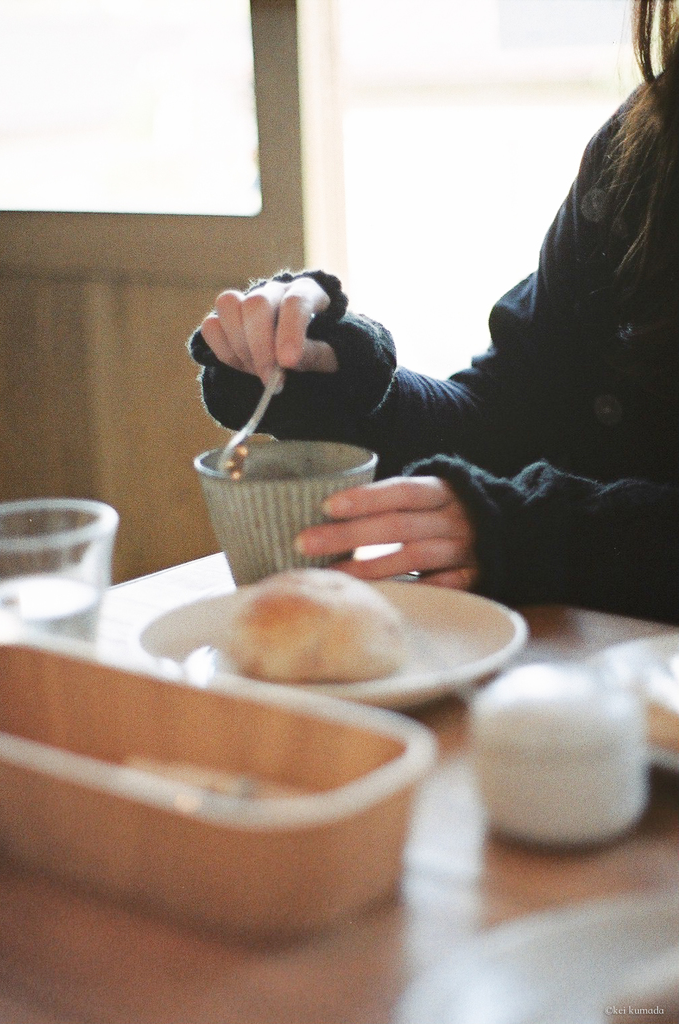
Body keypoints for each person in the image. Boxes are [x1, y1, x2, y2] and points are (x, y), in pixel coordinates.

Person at [188, 0, 678, 625]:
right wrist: (342, 384)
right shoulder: (646, 143)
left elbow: (523, 517)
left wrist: (536, 534)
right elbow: (509, 419)